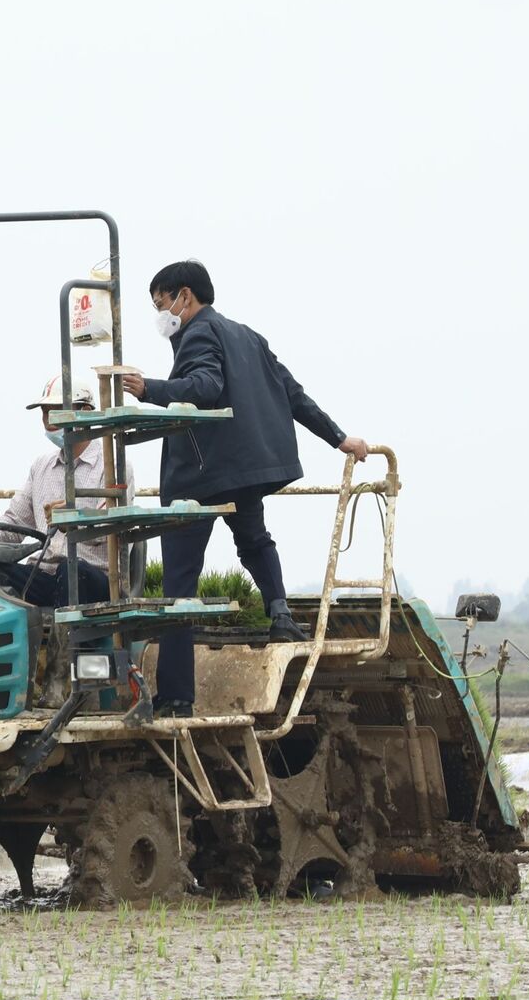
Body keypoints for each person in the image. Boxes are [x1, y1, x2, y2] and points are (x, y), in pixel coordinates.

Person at [123, 260, 371, 718]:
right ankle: (280, 616)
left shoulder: (198, 334)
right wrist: (340, 438)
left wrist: (148, 388)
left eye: (162, 304)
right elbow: (292, 393)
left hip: (200, 475)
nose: (162, 315)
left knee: (180, 584)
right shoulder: (248, 335)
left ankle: (177, 697)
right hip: (244, 471)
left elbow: (205, 386)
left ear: (184, 296)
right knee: (255, 541)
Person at [0, 377, 129, 607]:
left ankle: (67, 643)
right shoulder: (41, 466)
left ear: (85, 412)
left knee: (72, 569)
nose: (49, 421)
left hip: (95, 577)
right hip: (44, 574)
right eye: (45, 413)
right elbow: (14, 523)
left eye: (56, 412)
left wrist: (73, 518)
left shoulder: (114, 467)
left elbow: (110, 529)